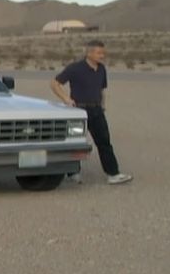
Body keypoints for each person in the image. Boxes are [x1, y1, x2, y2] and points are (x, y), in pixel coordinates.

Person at [51, 40, 133, 185]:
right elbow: (55, 83)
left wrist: (102, 105)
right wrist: (66, 99)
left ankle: (113, 174)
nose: (102, 56)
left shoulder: (101, 69)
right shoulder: (75, 68)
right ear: (89, 53)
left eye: (103, 53)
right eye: (98, 53)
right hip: (79, 111)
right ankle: (72, 172)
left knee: (104, 142)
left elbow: (101, 89)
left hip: (96, 110)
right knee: (76, 142)